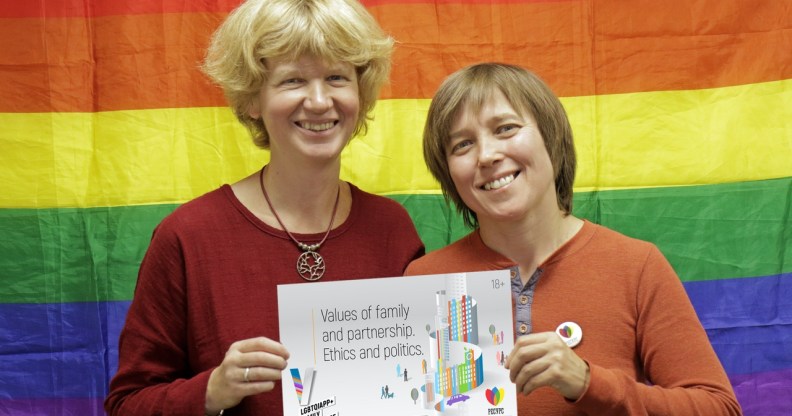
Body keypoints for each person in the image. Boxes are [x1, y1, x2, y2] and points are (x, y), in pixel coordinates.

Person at [104, 0, 425, 415]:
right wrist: (211, 391)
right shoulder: (187, 236)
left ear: (360, 95)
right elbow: (127, 404)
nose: (318, 100)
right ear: (252, 99)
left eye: (336, 77)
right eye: (293, 80)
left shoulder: (391, 228)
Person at [405, 63, 741, 415]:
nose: (487, 155)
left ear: (550, 137)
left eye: (506, 128)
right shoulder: (424, 280)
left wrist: (587, 382)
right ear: (448, 173)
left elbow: (721, 409)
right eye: (462, 145)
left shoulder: (635, 265)